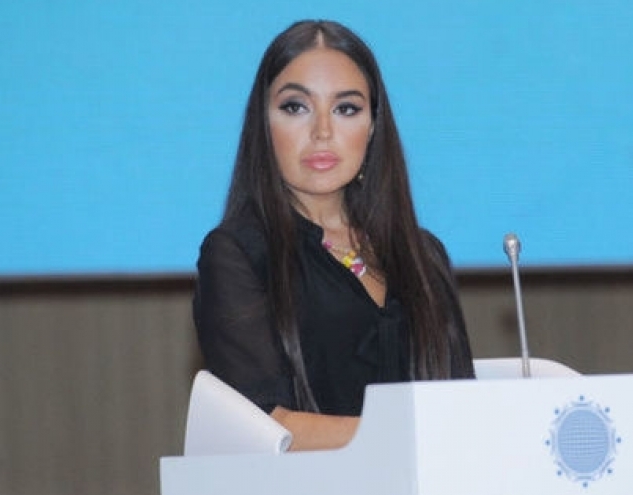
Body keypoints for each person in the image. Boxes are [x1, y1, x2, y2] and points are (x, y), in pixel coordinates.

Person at [192, 20, 475, 451]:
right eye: (295, 107)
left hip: (432, 487)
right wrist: (409, 437)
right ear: (263, 125)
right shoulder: (237, 255)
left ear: (373, 126)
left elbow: (462, 405)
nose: (322, 132)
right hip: (308, 492)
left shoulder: (424, 254)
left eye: (346, 109)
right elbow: (263, 423)